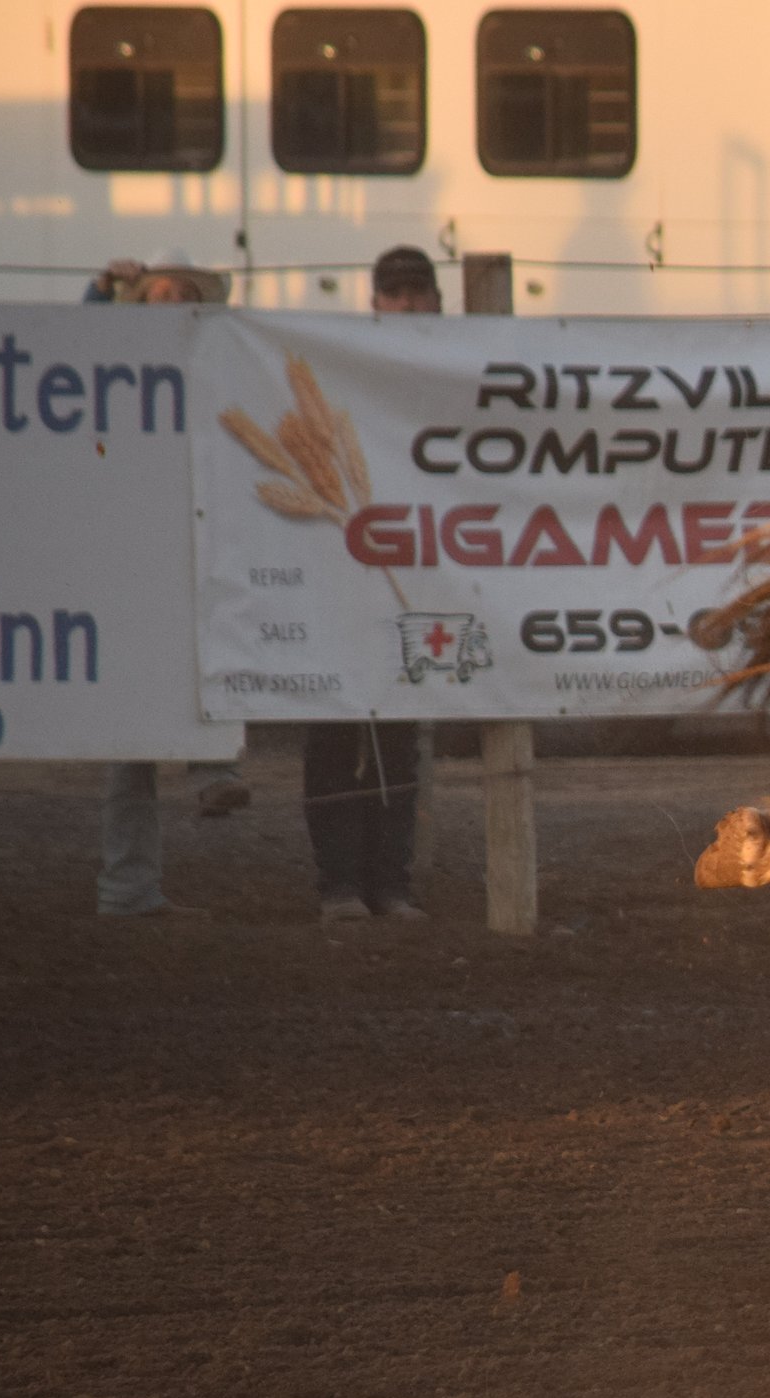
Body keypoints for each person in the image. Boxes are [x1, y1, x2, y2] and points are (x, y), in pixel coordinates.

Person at [92, 255, 246, 917]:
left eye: (184, 295)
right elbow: (56, 357)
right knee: (134, 721)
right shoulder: (103, 364)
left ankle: (214, 773)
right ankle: (128, 886)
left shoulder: (214, 364)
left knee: (213, 656)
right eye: (160, 294)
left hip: (189, 543)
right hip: (129, 551)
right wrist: (98, 293)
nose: (173, 302)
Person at [303, 246, 439, 921]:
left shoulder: (457, 364)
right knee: (333, 729)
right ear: (376, 300)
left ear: (436, 300)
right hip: (341, 557)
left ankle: (390, 882)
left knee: (395, 741)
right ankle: (338, 884)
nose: (409, 305)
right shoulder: (343, 358)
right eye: (398, 294)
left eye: (419, 293)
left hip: (418, 570)